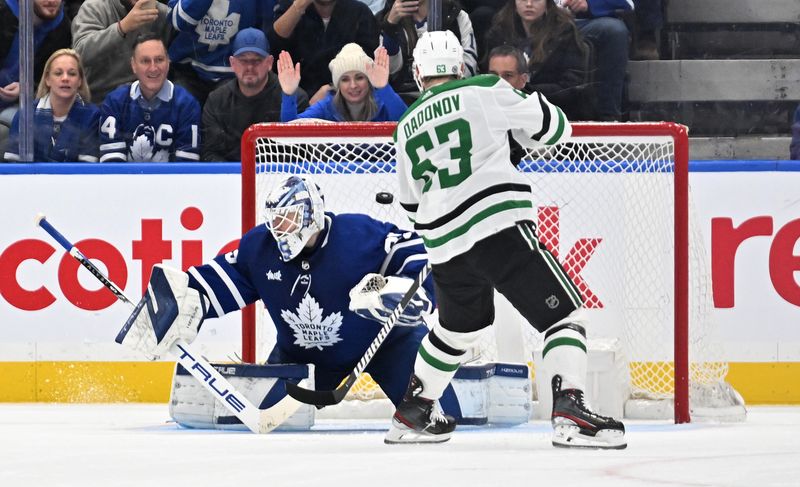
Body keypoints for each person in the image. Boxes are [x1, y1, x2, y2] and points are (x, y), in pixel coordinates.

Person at [391, 30, 626, 448]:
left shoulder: (405, 126)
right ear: (462, 67)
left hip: (444, 245)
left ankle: (414, 412)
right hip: (498, 227)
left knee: (455, 331)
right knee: (565, 316)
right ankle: (570, 411)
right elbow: (556, 129)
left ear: (418, 74)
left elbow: (410, 206)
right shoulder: (483, 88)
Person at [119, 174, 460, 443]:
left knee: (453, 415)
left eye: (290, 219)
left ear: (312, 213)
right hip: (302, 360)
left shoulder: (357, 234)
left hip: (387, 347)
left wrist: (411, 289)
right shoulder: (260, 246)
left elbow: (418, 251)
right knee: (268, 424)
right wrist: (171, 304)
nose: (281, 230)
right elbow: (215, 284)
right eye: (276, 222)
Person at [202, 28, 309, 162]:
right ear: (232, 63)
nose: (250, 67)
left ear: (269, 63)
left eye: (256, 61)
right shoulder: (216, 100)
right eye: (243, 61)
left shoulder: (295, 97)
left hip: (279, 177)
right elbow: (210, 153)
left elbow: (300, 152)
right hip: (231, 177)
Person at [99, 33, 201, 162]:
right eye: (145, 61)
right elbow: (112, 165)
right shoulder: (114, 102)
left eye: (159, 60)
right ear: (133, 65)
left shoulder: (187, 105)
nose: (153, 68)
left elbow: (186, 168)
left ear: (168, 62)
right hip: (125, 182)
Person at [483, 0, 592, 120]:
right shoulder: (499, 31)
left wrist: (526, 91)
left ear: (548, 3)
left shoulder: (565, 32)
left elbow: (571, 86)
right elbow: (486, 78)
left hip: (555, 113)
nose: (529, 4)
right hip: (505, 113)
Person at [166, 0, 277, 105]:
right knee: (181, 103)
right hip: (187, 70)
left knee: (232, 107)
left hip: (234, 73)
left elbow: (266, 29)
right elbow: (179, 22)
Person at [268, 0, 380, 99]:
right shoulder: (290, 7)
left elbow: (370, 63)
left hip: (347, 96)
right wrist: (298, 7)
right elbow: (275, 43)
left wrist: (333, 88)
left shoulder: (359, 11)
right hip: (298, 96)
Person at [3, 49, 100, 162]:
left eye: (72, 74)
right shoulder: (26, 114)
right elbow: (14, 167)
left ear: (80, 81)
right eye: (58, 73)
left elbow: (86, 170)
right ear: (47, 79)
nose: (65, 78)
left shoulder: (92, 116)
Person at [377, 0, 477, 103]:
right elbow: (390, 71)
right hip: (405, 98)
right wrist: (391, 27)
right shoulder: (386, 18)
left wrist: (441, 79)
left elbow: (470, 66)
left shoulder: (455, 14)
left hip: (452, 93)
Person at [71, 0, 172, 103]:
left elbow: (179, 64)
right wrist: (121, 28)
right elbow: (79, 55)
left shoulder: (163, 14)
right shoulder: (95, 7)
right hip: (100, 98)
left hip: (148, 99)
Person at [277, 43, 407, 122]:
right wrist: (289, 94)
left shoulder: (384, 102)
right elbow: (290, 130)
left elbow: (406, 122)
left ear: (369, 80)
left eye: (359, 77)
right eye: (345, 79)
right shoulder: (327, 106)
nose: (353, 85)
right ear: (337, 85)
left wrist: (384, 88)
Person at [559, 0, 632, 120]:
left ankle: (608, 119)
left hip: (581, 22)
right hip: (536, 18)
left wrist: (591, 4)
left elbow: (628, 3)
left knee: (615, 31)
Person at [0, 0, 72, 120]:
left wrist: (25, 88)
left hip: (21, 107)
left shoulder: (63, 28)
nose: (51, 1)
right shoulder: (3, 12)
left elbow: (51, 81)